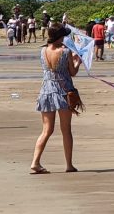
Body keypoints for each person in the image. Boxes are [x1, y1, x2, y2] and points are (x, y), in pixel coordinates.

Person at [32, 26, 81, 174]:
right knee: (66, 130)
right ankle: (69, 165)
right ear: (60, 37)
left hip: (46, 90)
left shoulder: (43, 50)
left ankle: (35, 162)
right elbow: (73, 73)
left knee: (46, 130)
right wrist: (77, 61)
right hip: (64, 90)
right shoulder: (65, 52)